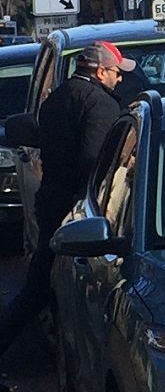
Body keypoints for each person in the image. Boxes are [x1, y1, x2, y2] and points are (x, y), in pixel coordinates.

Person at [0, 41, 133, 357]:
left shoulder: (58, 97)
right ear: (100, 71)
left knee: (40, 286)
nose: (120, 78)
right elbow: (95, 163)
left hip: (52, 201)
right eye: (116, 72)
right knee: (59, 290)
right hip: (78, 212)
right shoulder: (100, 104)